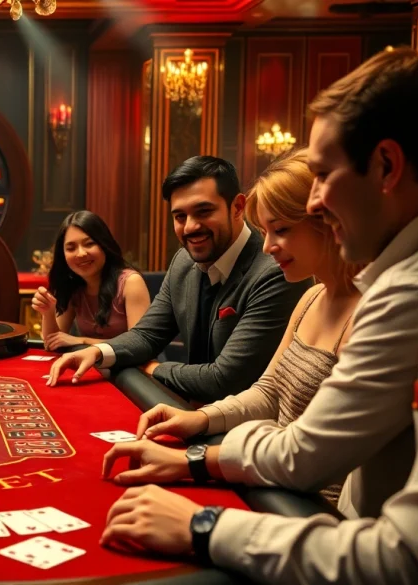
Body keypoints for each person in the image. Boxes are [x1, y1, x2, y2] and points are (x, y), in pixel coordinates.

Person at [99, 48, 418, 583]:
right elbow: (270, 395)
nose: (315, 202)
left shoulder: (414, 294)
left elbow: (413, 556)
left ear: (387, 166)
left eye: (325, 174)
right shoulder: (366, 287)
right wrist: (198, 446)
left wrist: (206, 525)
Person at [131, 147, 361, 503]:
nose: (267, 247)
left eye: (281, 229)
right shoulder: (310, 299)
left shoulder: (367, 317)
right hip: (271, 483)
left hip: (313, 507)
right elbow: (268, 391)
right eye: (265, 231)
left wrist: (192, 460)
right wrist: (201, 419)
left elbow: (312, 454)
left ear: (329, 221)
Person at [48, 156, 310, 402]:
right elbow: (147, 335)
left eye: (203, 212)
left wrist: (152, 368)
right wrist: (98, 352)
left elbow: (224, 379)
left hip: (247, 431)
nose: (190, 227)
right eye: (180, 216)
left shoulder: (275, 270)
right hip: (192, 412)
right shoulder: (183, 262)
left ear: (237, 207)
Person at [31, 211, 151, 351]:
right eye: (71, 248)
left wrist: (81, 341)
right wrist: (48, 313)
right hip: (93, 368)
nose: (81, 253)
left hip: (132, 369)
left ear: (104, 245)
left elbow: (139, 346)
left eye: (89, 244)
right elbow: (52, 343)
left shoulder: (131, 282)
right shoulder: (73, 286)